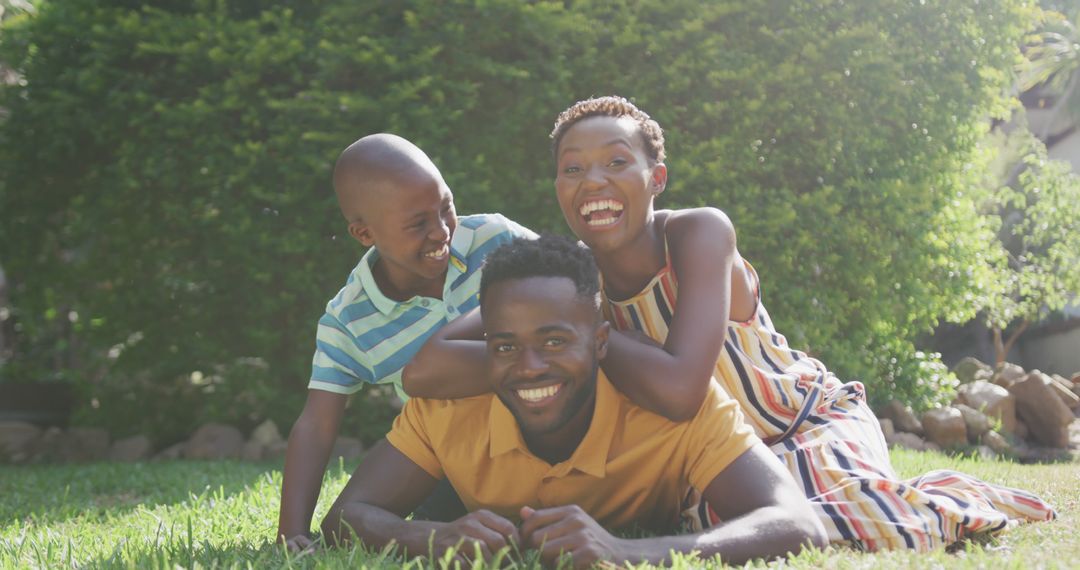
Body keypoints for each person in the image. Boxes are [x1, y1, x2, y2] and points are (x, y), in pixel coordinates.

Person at [407, 96, 1056, 551]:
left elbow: (682, 387)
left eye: (615, 162)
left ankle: (951, 499)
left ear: (655, 176)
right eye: (572, 168)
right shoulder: (567, 277)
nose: (592, 180)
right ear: (557, 188)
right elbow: (425, 368)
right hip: (715, 455)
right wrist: (538, 350)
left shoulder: (697, 235)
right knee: (723, 530)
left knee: (817, 520)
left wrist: (590, 340)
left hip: (801, 423)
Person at [321, 235, 827, 568]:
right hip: (456, 503)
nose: (530, 366)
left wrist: (626, 553)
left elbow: (797, 524)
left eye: (555, 342)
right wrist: (433, 538)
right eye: (504, 346)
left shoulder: (675, 412)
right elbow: (345, 518)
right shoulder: (448, 409)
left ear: (602, 342)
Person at [276, 134, 535, 550]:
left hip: (549, 426)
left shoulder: (496, 239)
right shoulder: (350, 320)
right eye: (417, 224)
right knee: (388, 518)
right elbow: (316, 425)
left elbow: (568, 288)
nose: (440, 231)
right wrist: (291, 532)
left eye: (446, 207)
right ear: (364, 233)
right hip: (459, 464)